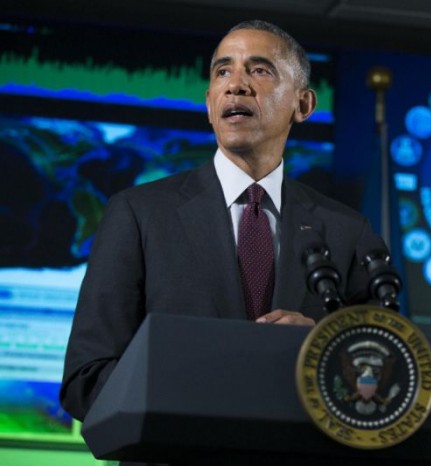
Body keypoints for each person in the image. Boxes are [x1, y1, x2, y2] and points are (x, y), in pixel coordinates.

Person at [60, 20, 381, 423]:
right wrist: (200, 384)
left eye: (260, 70)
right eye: (222, 71)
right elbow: (85, 381)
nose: (236, 85)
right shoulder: (138, 214)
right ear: (210, 102)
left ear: (303, 104)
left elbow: (385, 375)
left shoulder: (347, 232)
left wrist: (321, 345)